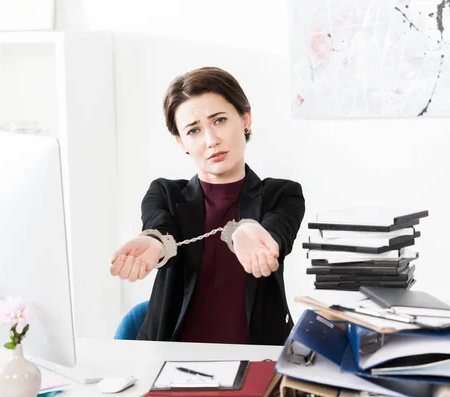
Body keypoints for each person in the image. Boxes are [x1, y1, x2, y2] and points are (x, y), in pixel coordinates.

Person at [110, 66, 305, 345]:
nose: (211, 140)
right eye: (194, 130)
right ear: (181, 142)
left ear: (245, 119)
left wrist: (250, 231)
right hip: (169, 362)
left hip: (255, 362)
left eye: (220, 120)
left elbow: (276, 232)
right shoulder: (164, 192)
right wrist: (155, 243)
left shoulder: (283, 194)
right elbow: (160, 226)